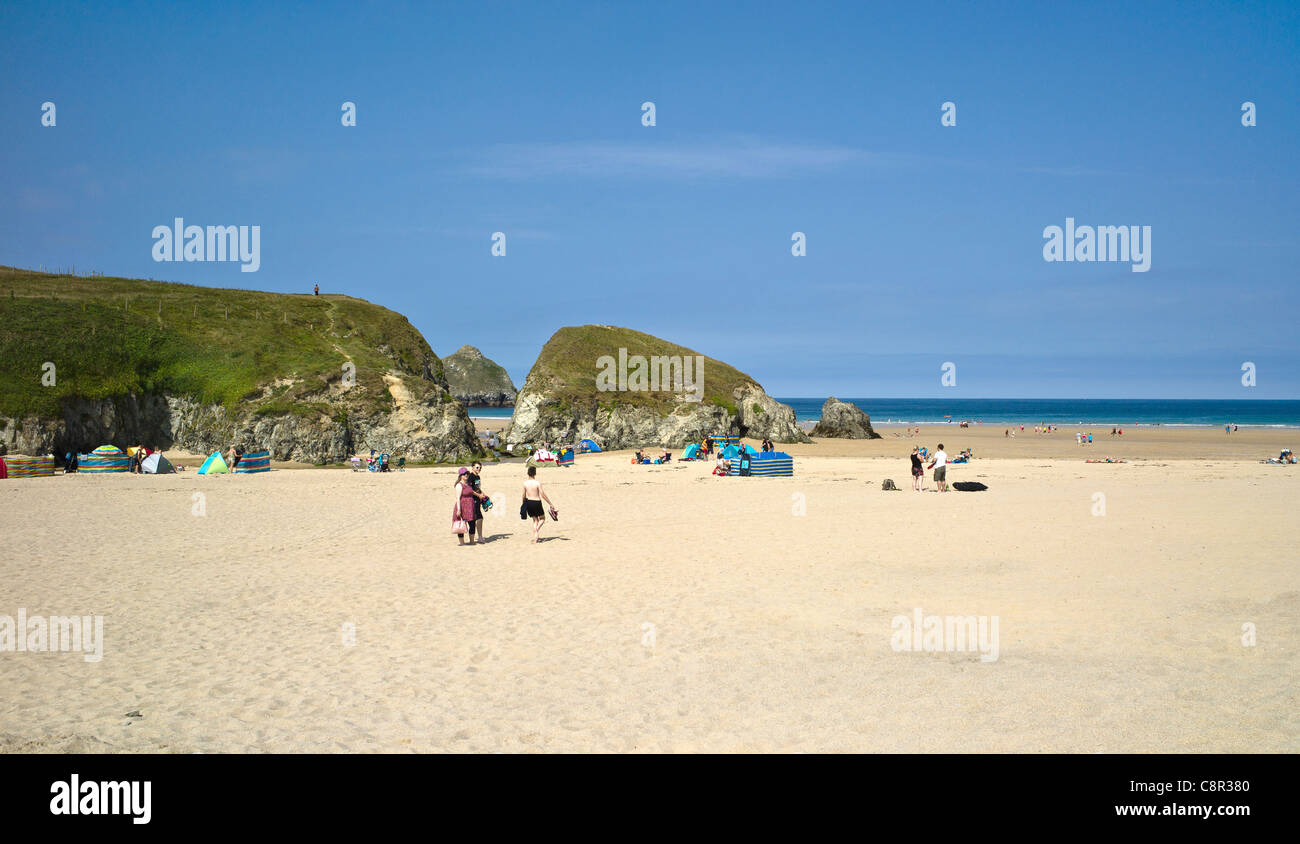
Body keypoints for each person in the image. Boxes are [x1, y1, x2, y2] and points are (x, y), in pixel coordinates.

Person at [522, 465, 555, 543]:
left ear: (528, 473)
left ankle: (536, 538)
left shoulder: (525, 483)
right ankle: (536, 529)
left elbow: (523, 495)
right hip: (537, 502)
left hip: (529, 502)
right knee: (542, 518)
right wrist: (550, 503)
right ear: (535, 474)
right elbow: (542, 494)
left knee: (535, 520)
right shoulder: (537, 483)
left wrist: (523, 503)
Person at [453, 468, 479, 546]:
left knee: (472, 523)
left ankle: (472, 541)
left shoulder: (468, 484)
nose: (466, 475)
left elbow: (473, 492)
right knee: (461, 523)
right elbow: (457, 498)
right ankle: (462, 542)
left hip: (470, 506)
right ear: (461, 476)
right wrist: (458, 509)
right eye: (464, 474)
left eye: (467, 473)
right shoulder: (459, 485)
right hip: (462, 505)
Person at [464, 461, 488, 543]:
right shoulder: (471, 477)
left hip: (478, 499)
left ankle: (477, 537)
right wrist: (478, 495)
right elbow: (469, 489)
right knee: (478, 518)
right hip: (472, 500)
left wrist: (483, 494)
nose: (479, 469)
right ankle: (479, 537)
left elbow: (477, 488)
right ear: (472, 467)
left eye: (480, 468)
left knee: (476, 518)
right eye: (477, 467)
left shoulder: (478, 477)